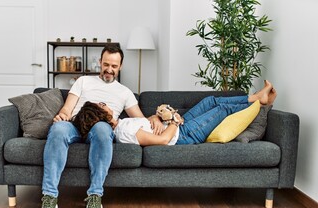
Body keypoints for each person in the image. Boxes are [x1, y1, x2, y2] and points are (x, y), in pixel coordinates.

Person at [37, 45, 163, 208]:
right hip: (74, 124)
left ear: (120, 66)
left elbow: (140, 120)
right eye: (106, 64)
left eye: (114, 66)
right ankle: (49, 197)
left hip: (99, 128)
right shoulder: (83, 81)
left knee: (104, 128)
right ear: (100, 62)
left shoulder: (125, 92)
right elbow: (67, 107)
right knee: (57, 129)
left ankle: (95, 196)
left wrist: (155, 118)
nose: (109, 70)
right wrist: (62, 115)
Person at [73, 80, 277, 146]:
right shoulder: (123, 133)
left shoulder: (124, 123)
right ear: (101, 115)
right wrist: (174, 122)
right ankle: (260, 103)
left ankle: (257, 97)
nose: (106, 104)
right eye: (102, 104)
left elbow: (147, 123)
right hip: (184, 135)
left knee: (210, 101)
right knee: (221, 109)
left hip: (180, 127)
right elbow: (162, 142)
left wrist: (156, 118)